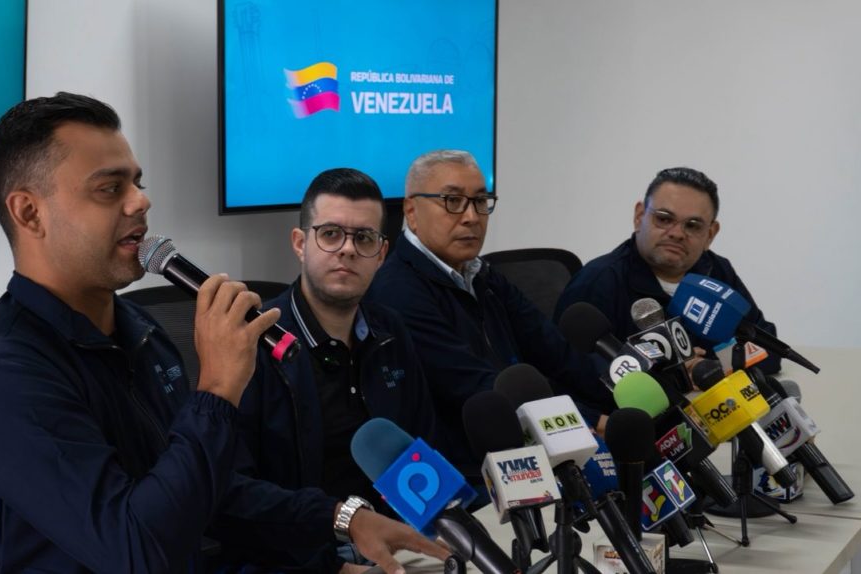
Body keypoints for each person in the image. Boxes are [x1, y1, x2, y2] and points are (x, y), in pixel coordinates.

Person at [0, 92, 448, 573]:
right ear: (29, 212)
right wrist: (218, 390)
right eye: (110, 188)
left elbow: (206, 493)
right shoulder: (2, 377)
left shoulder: (139, 332)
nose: (140, 202)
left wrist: (341, 519)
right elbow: (137, 552)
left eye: (137, 183)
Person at [235, 169, 441, 568]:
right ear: (300, 244)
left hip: (397, 544)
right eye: (330, 234)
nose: (347, 249)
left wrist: (444, 533)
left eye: (364, 238)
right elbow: (234, 494)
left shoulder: (390, 331)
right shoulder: (254, 341)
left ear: (381, 254)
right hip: (301, 557)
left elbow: (422, 448)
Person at [366, 150, 614, 461]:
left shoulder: (482, 274)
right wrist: (590, 421)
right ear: (411, 211)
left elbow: (555, 349)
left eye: (481, 201)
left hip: (527, 442)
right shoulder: (396, 291)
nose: (471, 216)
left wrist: (620, 400)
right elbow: (473, 384)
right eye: (452, 201)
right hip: (468, 464)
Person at [554, 166, 780, 374]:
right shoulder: (598, 280)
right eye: (664, 219)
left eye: (693, 225)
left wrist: (709, 370)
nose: (677, 233)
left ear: (710, 234)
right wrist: (668, 376)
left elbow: (769, 348)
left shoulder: (717, 270)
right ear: (639, 217)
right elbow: (571, 373)